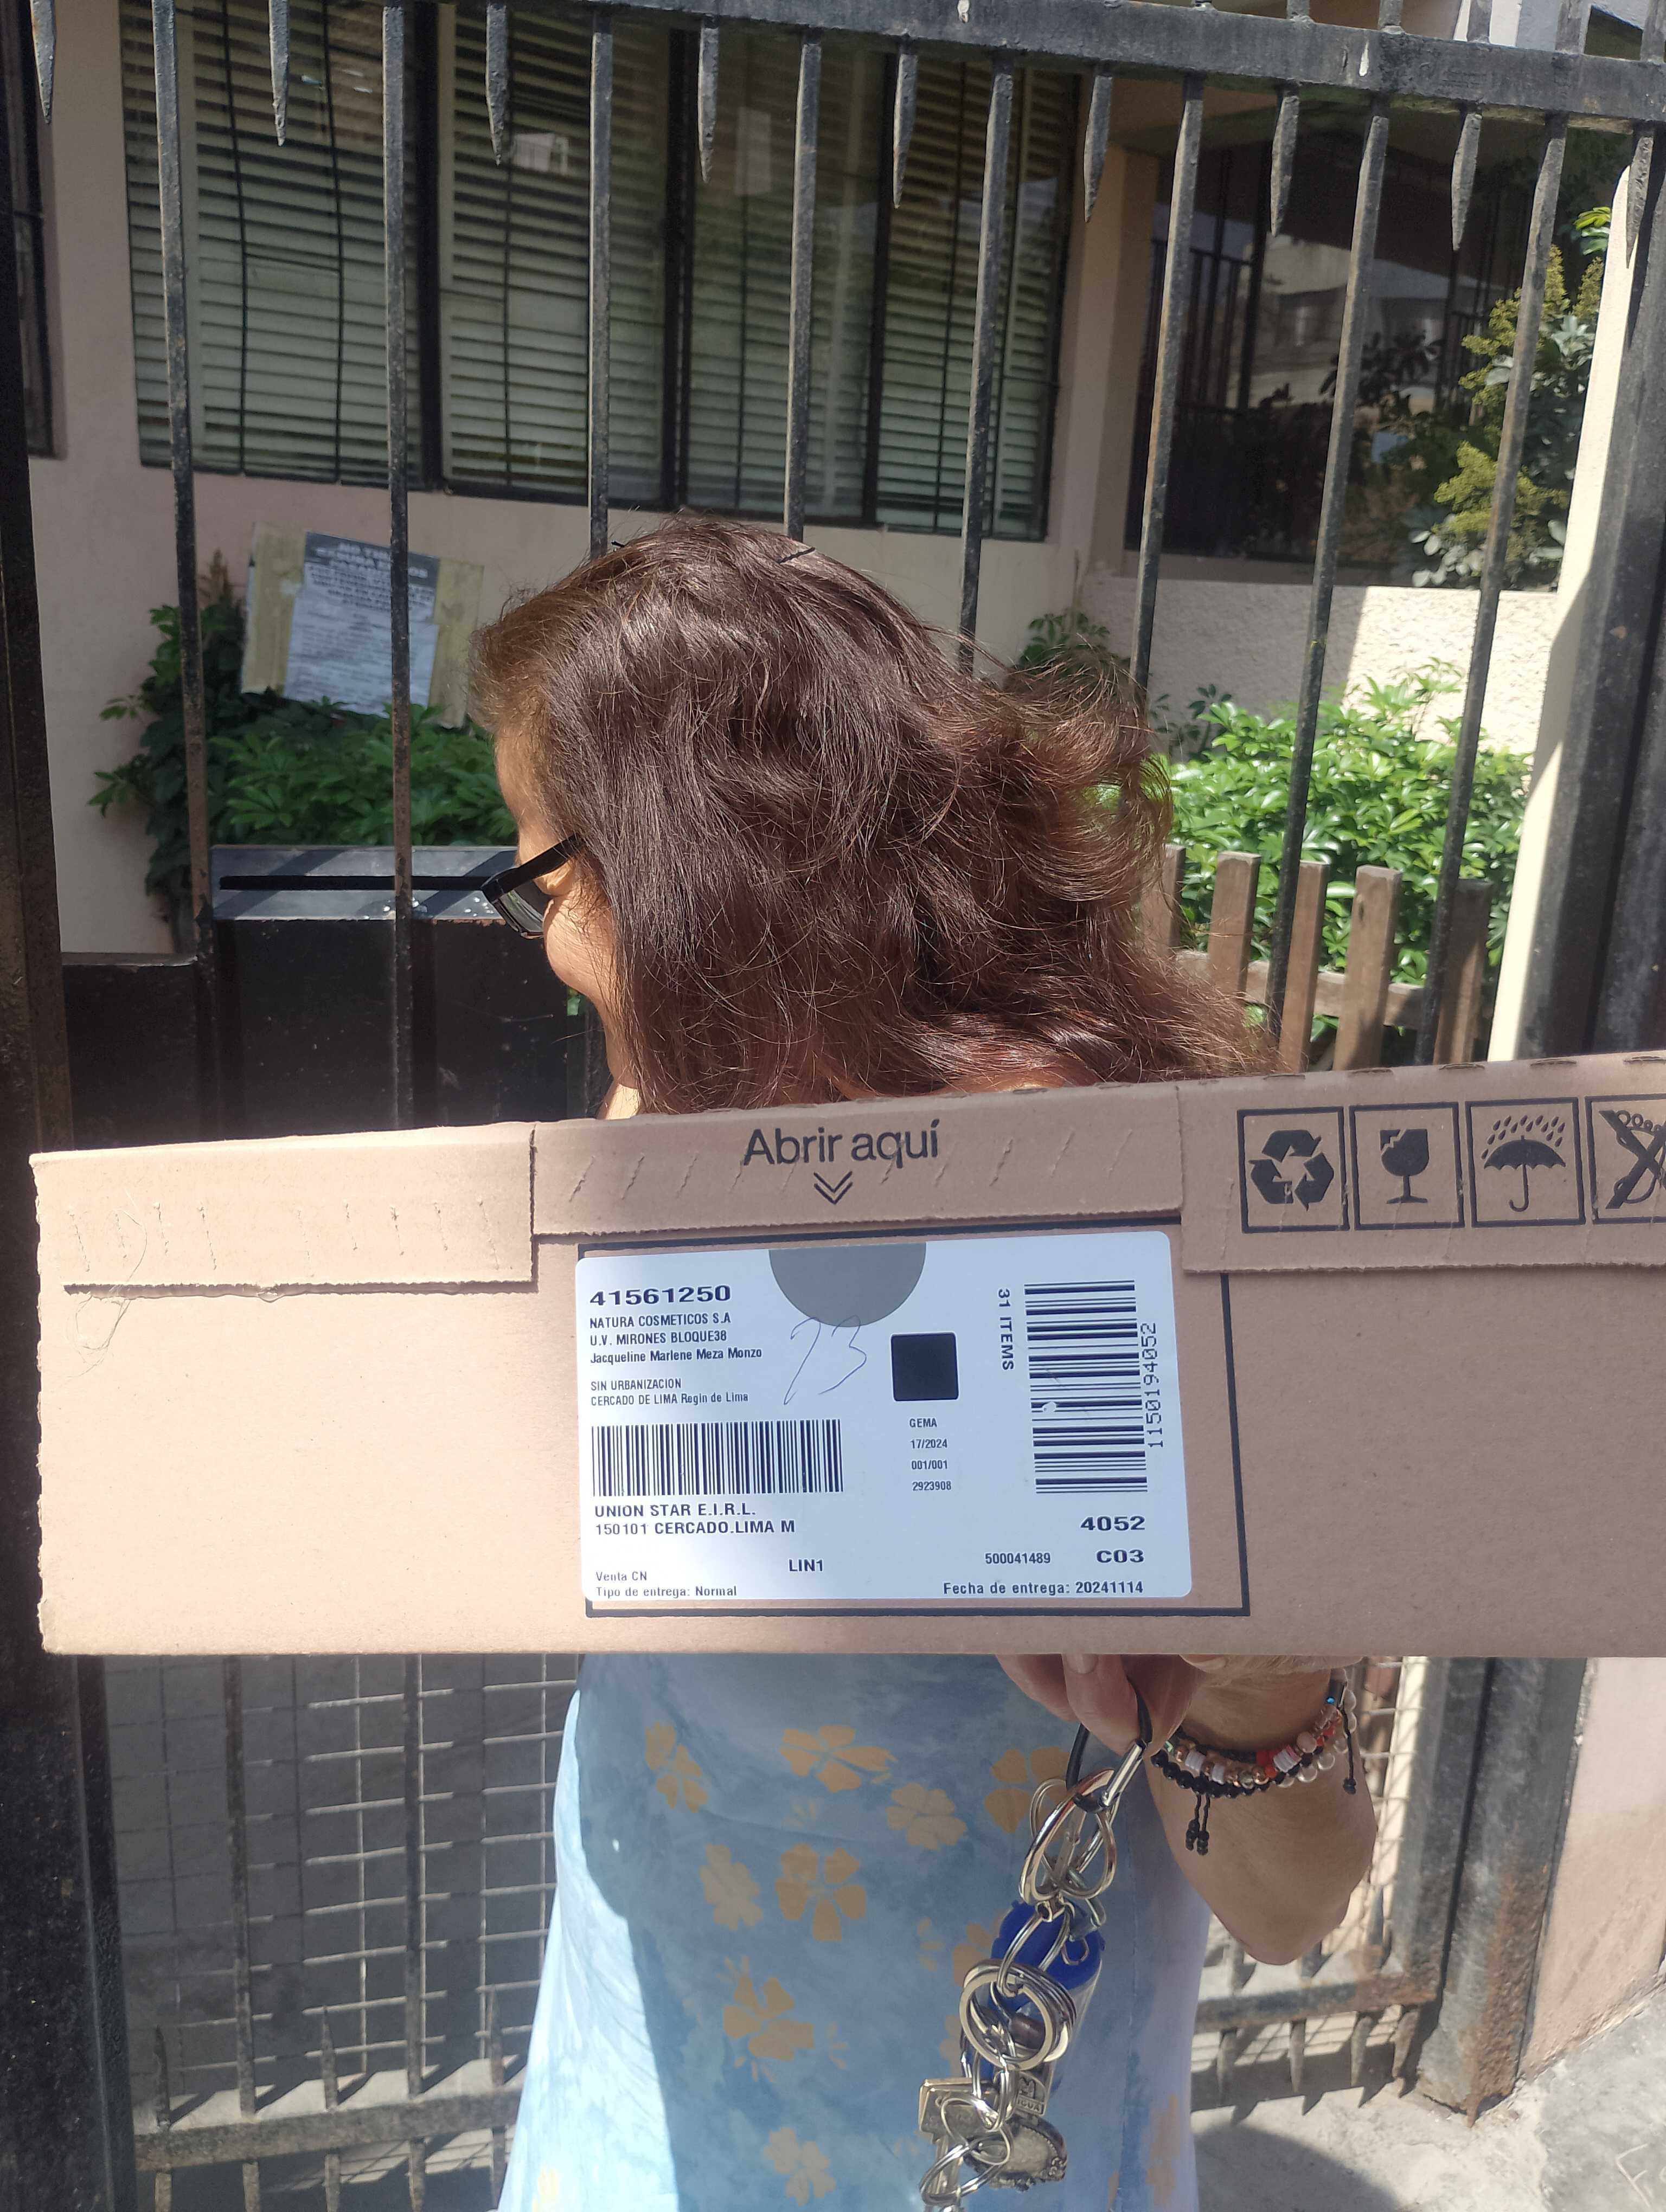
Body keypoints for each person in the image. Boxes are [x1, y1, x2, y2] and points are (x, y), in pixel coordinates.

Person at [475, 518, 1377, 2212]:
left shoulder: (1125, 1227)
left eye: (545, 875)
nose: (547, 940)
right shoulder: (655, 1136)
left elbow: (1292, 1903)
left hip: (988, 2143)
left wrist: (1257, 1696)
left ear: (689, 869)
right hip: (642, 2098)